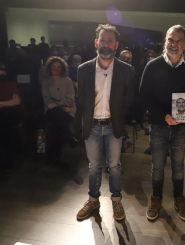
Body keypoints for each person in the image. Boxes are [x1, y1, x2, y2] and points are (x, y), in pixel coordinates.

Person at [75, 24, 135, 221]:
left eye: (110, 41)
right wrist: (79, 125)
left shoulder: (126, 70)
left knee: (115, 166)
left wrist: (118, 116)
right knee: (93, 166)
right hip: (91, 125)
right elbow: (80, 100)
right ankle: (93, 200)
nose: (106, 44)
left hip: (112, 125)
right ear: (96, 43)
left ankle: (116, 201)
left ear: (116, 45)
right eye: (102, 40)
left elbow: (128, 99)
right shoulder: (83, 69)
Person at [139, 24, 185, 221]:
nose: (174, 43)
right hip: (158, 125)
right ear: (166, 41)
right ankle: (156, 199)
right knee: (157, 166)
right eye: (171, 39)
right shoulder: (152, 65)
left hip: (180, 127)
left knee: (179, 167)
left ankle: (179, 199)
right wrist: (164, 115)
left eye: (179, 40)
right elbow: (144, 96)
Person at [42, 56, 76, 165]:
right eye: (53, 67)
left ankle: (52, 156)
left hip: (68, 110)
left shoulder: (68, 81)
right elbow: (47, 101)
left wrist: (57, 104)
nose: (56, 69)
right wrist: (61, 106)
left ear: (62, 68)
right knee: (59, 122)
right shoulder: (46, 82)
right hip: (51, 111)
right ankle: (69, 136)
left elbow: (70, 99)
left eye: (58, 67)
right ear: (49, 68)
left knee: (58, 128)